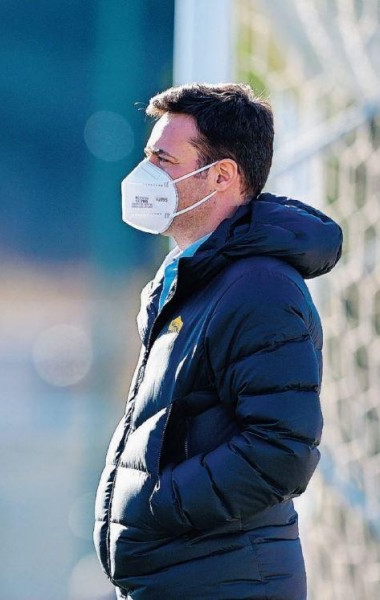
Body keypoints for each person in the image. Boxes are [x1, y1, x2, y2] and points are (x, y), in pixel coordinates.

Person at [93, 83, 343, 599]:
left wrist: (159, 503)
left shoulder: (260, 287)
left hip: (225, 584)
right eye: (148, 156)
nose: (146, 175)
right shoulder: (193, 279)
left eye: (164, 159)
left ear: (222, 176)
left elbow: (281, 450)